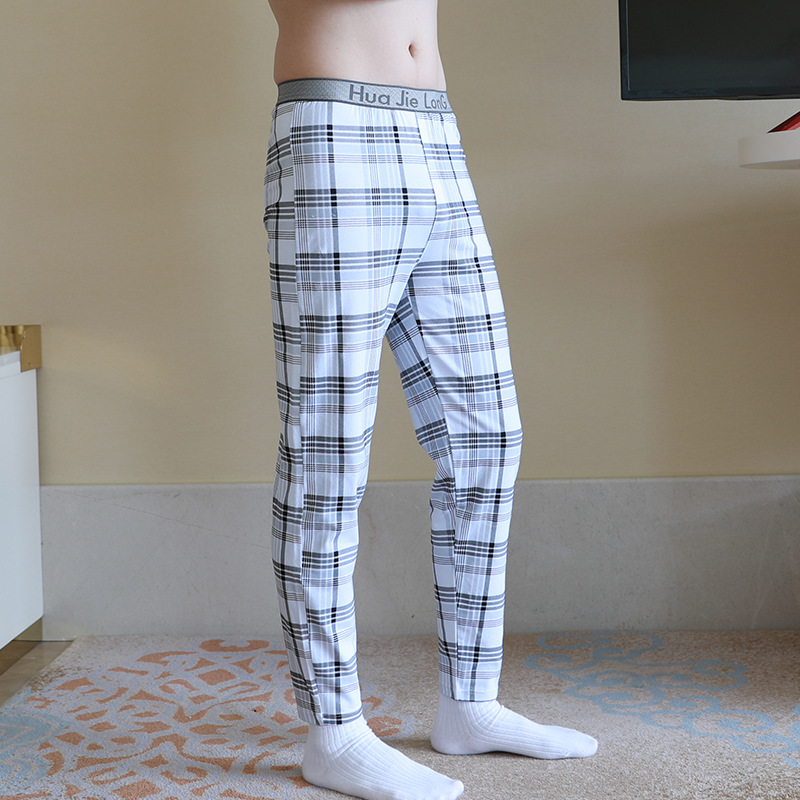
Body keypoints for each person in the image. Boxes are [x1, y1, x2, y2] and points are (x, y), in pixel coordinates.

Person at [262, 2, 598, 798]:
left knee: (487, 437)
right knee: (327, 447)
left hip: (435, 131)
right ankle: (333, 731)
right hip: (334, 126)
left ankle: (470, 704)